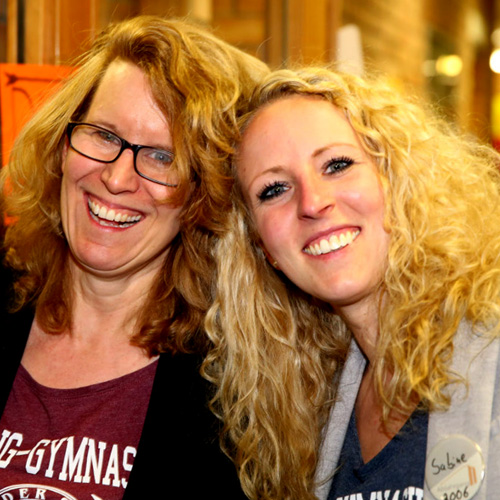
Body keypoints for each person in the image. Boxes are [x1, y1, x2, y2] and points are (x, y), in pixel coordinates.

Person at [0, 15, 268, 498]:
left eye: (163, 156)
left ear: (204, 193)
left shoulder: (238, 392)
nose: (118, 178)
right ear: (62, 143)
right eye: (104, 135)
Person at [204, 66, 500, 500]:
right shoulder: (311, 405)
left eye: (337, 165)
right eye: (274, 189)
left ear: (396, 178)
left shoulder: (490, 342)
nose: (313, 202)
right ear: (262, 247)